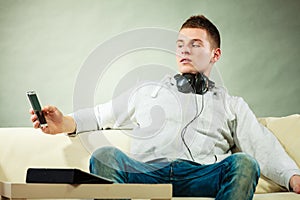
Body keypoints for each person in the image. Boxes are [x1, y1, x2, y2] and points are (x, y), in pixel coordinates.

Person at [30, 15, 300, 200]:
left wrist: (292, 177)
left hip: (201, 174)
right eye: (180, 45)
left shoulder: (231, 104)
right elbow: (101, 116)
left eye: (195, 45)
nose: (185, 51)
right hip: (148, 173)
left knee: (244, 162)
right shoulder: (147, 91)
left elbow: (260, 143)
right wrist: (63, 122)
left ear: (215, 54)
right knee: (104, 155)